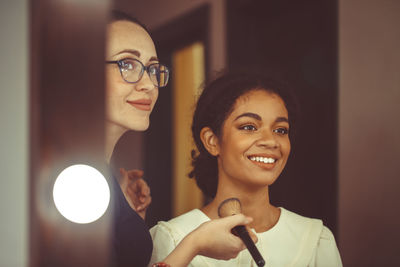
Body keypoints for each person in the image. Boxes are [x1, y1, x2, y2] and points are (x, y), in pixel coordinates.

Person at [105, 11, 257, 267]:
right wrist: (194, 244)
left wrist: (128, 220)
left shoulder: (105, 179)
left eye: (153, 69)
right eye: (128, 64)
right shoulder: (71, 181)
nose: (149, 85)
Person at [149, 72, 343, 266]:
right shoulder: (173, 238)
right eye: (249, 127)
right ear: (212, 141)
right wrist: (193, 245)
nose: (270, 141)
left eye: (280, 130)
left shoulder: (315, 239)